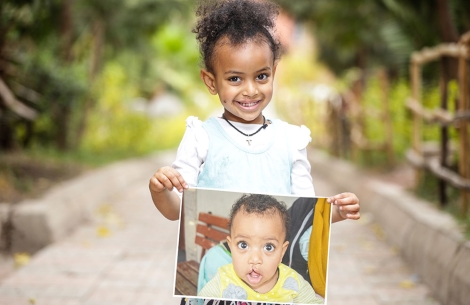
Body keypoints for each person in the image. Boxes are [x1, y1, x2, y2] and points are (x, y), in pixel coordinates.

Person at [149, 0, 360, 303]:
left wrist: (336, 211)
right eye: (234, 79)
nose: (250, 90)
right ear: (211, 81)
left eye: (261, 76)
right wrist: (160, 190)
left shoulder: (291, 141)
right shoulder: (201, 137)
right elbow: (176, 211)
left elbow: (305, 213)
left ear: (274, 72)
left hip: (271, 290)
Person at [198, 194, 323, 304]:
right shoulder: (222, 280)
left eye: (268, 247)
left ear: (282, 252)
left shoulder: (294, 283)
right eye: (243, 245)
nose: (255, 259)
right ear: (231, 247)